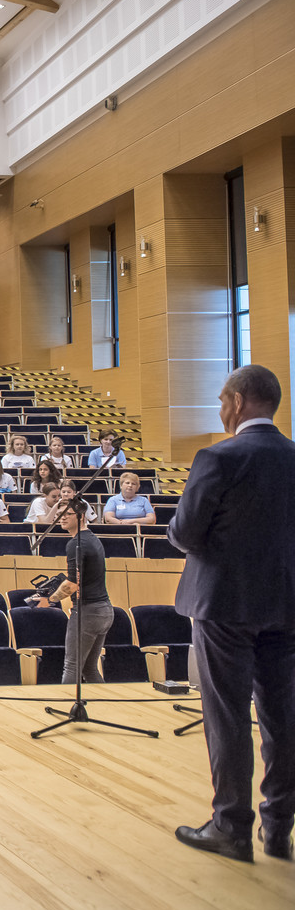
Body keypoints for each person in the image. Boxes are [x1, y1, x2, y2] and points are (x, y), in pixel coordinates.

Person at [168, 365, 295, 862]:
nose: (221, 410)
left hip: (224, 604)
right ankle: (279, 828)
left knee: (227, 715)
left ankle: (231, 827)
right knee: (283, 717)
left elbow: (185, 532)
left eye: (222, 401)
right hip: (286, 604)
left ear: (238, 402)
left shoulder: (219, 457)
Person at [37, 498, 110, 689]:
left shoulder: (76, 544)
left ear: (81, 516)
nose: (61, 518)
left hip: (88, 612)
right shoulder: (92, 538)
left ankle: (67, 703)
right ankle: (107, 701)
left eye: (66, 514)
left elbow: (72, 584)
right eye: (59, 514)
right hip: (104, 611)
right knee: (89, 669)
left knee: (72, 666)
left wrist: (49, 600)